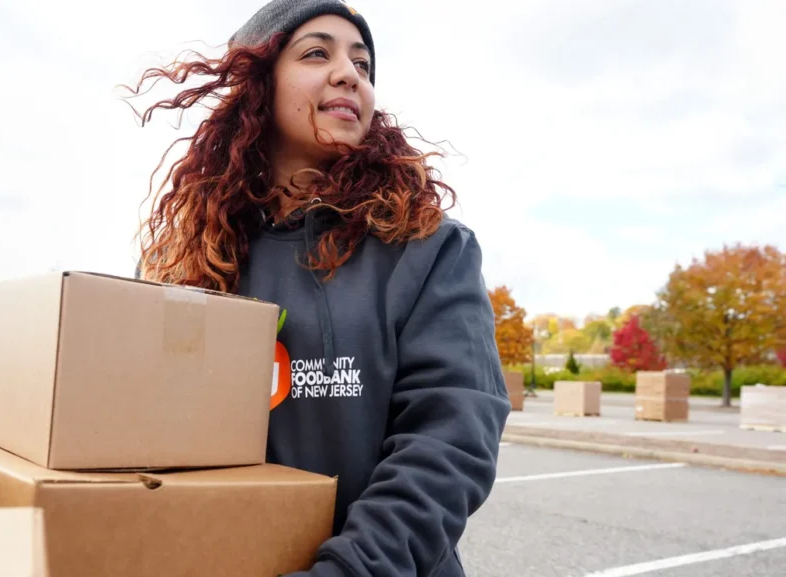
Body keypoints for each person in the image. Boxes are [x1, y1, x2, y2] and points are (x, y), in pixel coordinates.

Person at [129, 1, 511, 575]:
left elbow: (448, 445)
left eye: (362, 64)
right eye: (317, 53)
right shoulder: (183, 261)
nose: (349, 74)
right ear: (255, 84)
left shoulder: (429, 248)